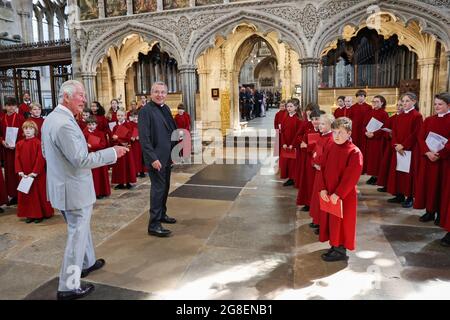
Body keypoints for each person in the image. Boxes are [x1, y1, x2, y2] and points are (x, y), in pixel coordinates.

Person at [41, 80, 128, 300]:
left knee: (81, 229)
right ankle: (68, 285)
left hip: (64, 186)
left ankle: (87, 262)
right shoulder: (64, 124)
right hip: (73, 189)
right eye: (80, 95)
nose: (84, 99)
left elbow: (46, 153)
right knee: (76, 235)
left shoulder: (51, 119)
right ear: (66, 97)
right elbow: (80, 160)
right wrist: (112, 153)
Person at [318, 117, 363, 261]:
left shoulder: (354, 152)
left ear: (349, 133)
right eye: (334, 132)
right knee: (332, 221)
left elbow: (351, 177)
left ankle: (340, 250)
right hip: (329, 191)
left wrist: (338, 193)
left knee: (343, 222)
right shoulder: (331, 146)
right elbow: (322, 168)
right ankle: (334, 244)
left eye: (340, 133)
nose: (336, 136)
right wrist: (323, 188)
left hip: (344, 195)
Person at [138, 81, 178, 237]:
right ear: (151, 93)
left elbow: (172, 131)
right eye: (157, 92)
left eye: (163, 92)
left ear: (166, 94)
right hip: (156, 159)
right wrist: (153, 158)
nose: (160, 95)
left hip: (167, 157)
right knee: (158, 189)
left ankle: (161, 214)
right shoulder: (145, 111)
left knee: (165, 187)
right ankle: (154, 224)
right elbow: (144, 138)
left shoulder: (166, 108)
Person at [414, 93, 450, 225]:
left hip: (444, 162)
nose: (437, 106)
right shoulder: (429, 120)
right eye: (435, 104)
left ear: (448, 105)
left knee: (441, 187)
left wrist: (439, 154)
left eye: (440, 104)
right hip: (428, 160)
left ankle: (441, 214)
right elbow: (420, 137)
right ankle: (430, 211)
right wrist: (427, 152)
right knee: (429, 186)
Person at [387, 92, 423, 208]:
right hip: (398, 148)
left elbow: (415, 134)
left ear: (414, 101)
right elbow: (394, 132)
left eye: (407, 101)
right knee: (398, 172)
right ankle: (400, 194)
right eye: (403, 101)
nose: (404, 103)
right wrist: (396, 145)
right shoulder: (399, 116)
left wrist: (404, 146)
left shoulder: (417, 116)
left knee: (409, 174)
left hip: (409, 150)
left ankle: (409, 197)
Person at [15, 120, 53, 223]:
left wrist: (35, 172)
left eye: (30, 128)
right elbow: (17, 158)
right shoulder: (19, 144)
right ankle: (30, 214)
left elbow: (40, 158)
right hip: (24, 174)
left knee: (38, 194)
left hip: (36, 174)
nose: (28, 130)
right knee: (27, 195)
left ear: (35, 130)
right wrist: (20, 171)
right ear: (23, 130)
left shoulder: (38, 143)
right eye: (25, 128)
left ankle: (39, 214)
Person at [309, 113, 335, 235]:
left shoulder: (330, 139)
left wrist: (319, 163)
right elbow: (315, 152)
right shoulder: (322, 136)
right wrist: (314, 162)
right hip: (318, 170)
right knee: (316, 197)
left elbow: (327, 157)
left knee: (322, 198)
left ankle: (322, 223)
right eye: (320, 123)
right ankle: (317, 219)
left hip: (324, 173)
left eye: (323, 124)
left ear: (331, 125)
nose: (320, 126)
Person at [0, 96, 25, 206]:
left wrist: (18, 144)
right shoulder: (1, 118)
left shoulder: (20, 118)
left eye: (13, 106)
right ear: (5, 106)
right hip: (7, 150)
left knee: (18, 171)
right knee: (9, 172)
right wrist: (2, 141)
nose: (11, 108)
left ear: (16, 106)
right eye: (9, 105)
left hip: (18, 149)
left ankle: (20, 195)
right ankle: (13, 195)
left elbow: (24, 133)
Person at [363, 95, 389, 185]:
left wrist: (374, 134)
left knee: (377, 158)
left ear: (382, 103)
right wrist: (366, 132)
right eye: (373, 102)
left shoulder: (384, 114)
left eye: (377, 101)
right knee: (371, 159)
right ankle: (373, 176)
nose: (375, 103)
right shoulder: (369, 112)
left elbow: (385, 128)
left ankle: (378, 176)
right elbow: (364, 124)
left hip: (378, 140)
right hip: (369, 139)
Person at [83, 116, 111, 199]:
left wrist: (92, 146)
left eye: (93, 124)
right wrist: (89, 147)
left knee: (101, 175)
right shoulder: (84, 134)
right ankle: (94, 192)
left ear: (96, 125)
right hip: (90, 157)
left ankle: (102, 192)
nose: (91, 126)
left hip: (99, 156)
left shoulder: (100, 133)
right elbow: (82, 145)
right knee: (93, 176)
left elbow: (103, 144)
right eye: (89, 124)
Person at [111, 109, 137, 189]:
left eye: (122, 115)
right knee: (119, 166)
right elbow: (113, 137)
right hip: (118, 148)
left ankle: (129, 182)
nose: (120, 117)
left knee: (127, 165)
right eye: (118, 115)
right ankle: (120, 182)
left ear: (125, 116)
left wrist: (118, 138)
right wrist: (115, 139)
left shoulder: (128, 125)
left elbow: (129, 136)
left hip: (126, 148)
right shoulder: (115, 127)